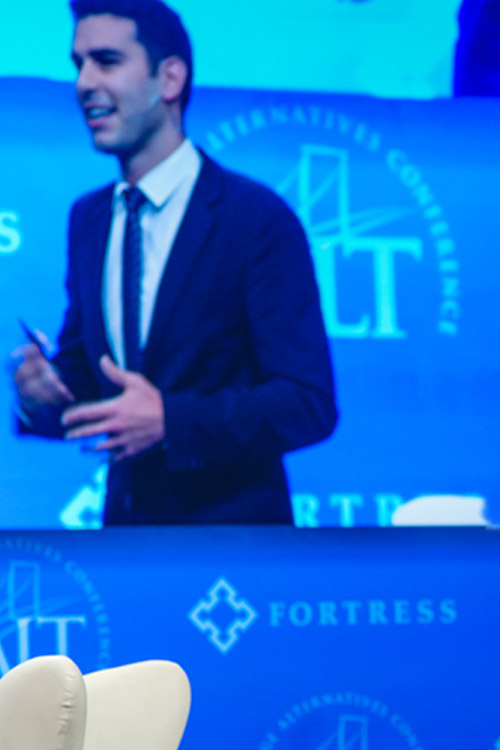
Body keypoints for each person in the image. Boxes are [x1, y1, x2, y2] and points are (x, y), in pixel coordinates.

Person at [9, 0, 336, 524]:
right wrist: (43, 396)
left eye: (107, 61)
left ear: (169, 79)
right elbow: (95, 381)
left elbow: (307, 403)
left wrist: (171, 421)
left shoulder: (254, 218)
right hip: (126, 540)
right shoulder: (89, 219)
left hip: (234, 544)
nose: (84, 83)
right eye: (79, 65)